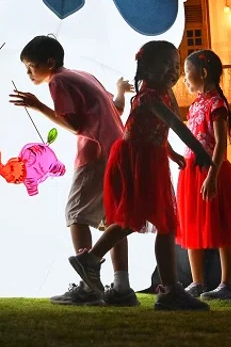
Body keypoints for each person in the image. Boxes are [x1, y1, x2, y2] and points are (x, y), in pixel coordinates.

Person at [67, 40, 215, 311]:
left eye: (176, 66)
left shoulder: (160, 94)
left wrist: (170, 152)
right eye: (166, 64)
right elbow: (174, 123)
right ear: (147, 68)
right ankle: (93, 260)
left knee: (162, 222)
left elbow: (156, 128)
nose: (173, 71)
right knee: (136, 218)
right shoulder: (149, 96)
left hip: (150, 158)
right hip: (137, 161)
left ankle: (168, 288)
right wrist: (199, 151)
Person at [9, 35, 137, 306]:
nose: (28, 73)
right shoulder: (84, 75)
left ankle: (89, 288)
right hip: (117, 150)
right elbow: (116, 108)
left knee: (76, 213)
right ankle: (122, 287)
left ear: (50, 62)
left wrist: (38, 106)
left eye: (31, 66)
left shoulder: (58, 81)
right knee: (112, 219)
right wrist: (120, 90)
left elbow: (76, 125)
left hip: (95, 151)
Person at [176, 50, 231, 301]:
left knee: (221, 226)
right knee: (192, 224)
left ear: (203, 73)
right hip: (191, 171)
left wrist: (212, 175)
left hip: (212, 171)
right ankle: (197, 281)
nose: (184, 78)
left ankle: (228, 285)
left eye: (187, 72)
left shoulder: (217, 104)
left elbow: (220, 143)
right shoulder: (195, 105)